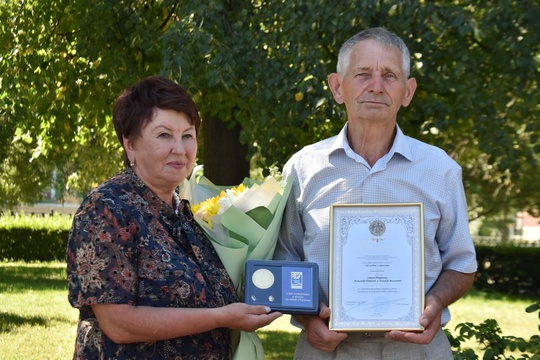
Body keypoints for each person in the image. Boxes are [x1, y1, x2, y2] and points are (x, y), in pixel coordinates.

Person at [273, 27, 477, 359]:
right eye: (363, 74)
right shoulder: (302, 168)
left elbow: (462, 264)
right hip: (325, 348)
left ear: (407, 92)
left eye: (390, 76)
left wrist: (435, 303)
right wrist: (309, 316)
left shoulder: (440, 170)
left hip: (416, 350)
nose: (376, 86)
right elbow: (285, 258)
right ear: (337, 86)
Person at [66, 76, 282, 359]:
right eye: (164, 135)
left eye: (188, 135)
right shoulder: (107, 209)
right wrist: (221, 317)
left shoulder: (188, 212)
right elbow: (119, 324)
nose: (180, 149)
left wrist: (303, 303)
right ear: (129, 144)